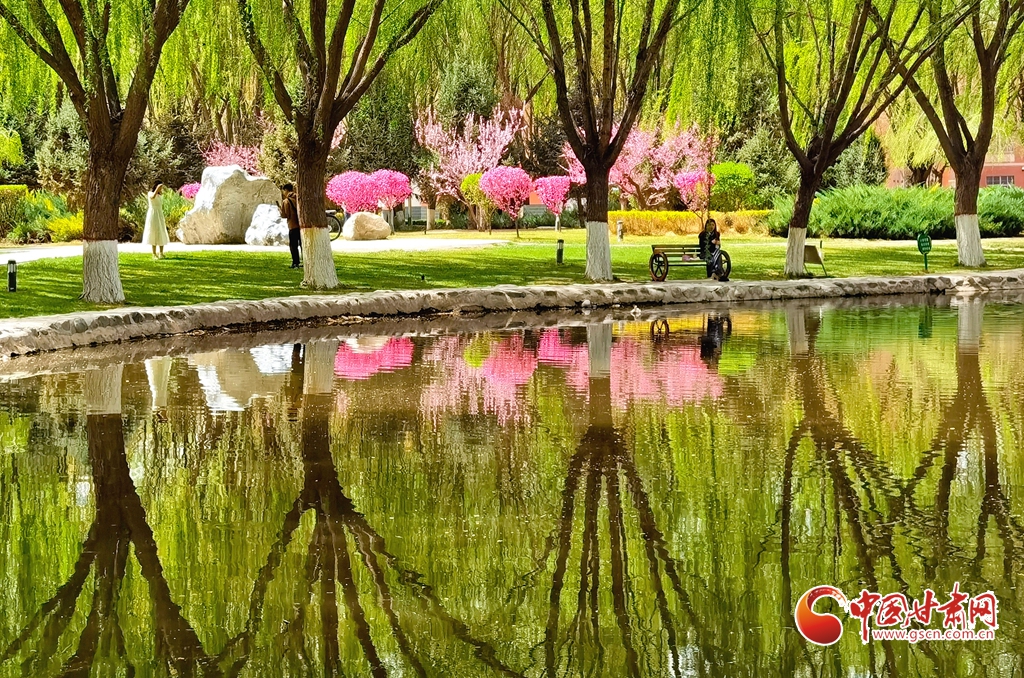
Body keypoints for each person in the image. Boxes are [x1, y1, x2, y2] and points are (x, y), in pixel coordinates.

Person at [142, 181, 170, 259]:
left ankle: (161, 253)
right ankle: (154, 253)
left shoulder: (159, 195)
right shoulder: (150, 193)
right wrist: (157, 188)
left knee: (161, 231)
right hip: (153, 214)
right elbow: (152, 197)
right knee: (153, 231)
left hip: (159, 214)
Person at [280, 183, 301, 269]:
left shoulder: (286, 201)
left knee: (293, 245)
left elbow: (285, 215)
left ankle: (295, 262)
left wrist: (280, 211)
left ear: (286, 190)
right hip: (302, 225)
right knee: (303, 245)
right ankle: (307, 262)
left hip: (293, 225)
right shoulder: (299, 198)